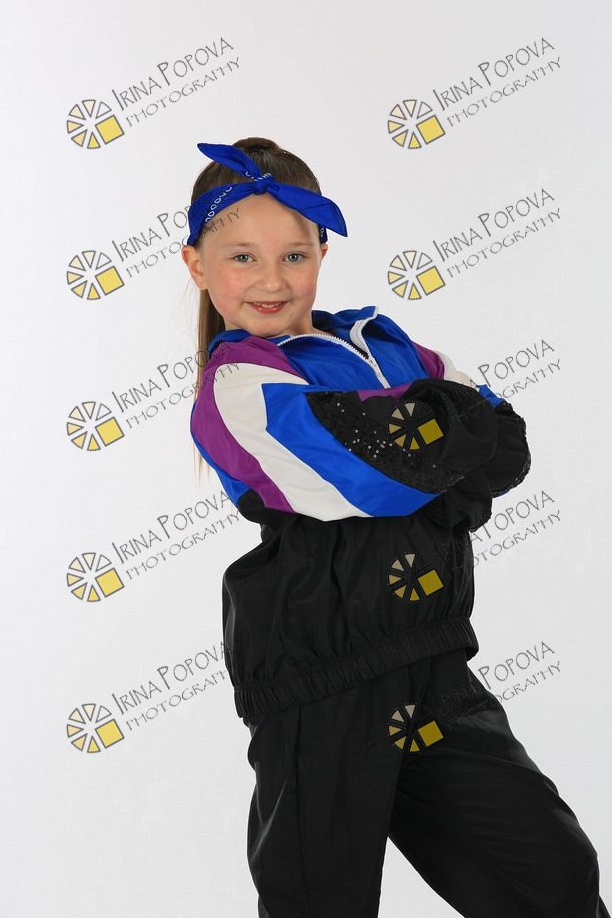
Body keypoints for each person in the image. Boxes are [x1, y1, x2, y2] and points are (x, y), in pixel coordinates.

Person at [181, 137, 609, 918]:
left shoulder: (382, 341)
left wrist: (417, 436)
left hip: (433, 664)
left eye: (294, 255)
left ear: (322, 254)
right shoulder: (236, 385)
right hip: (323, 687)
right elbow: (371, 469)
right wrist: (434, 437)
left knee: (552, 875)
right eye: (242, 257)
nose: (271, 280)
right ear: (197, 266)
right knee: (323, 902)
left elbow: (505, 449)